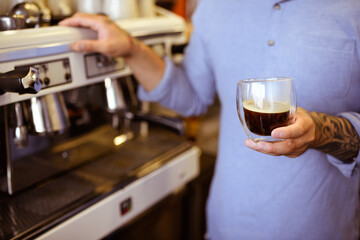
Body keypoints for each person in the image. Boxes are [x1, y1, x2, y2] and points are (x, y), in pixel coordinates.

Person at [59, 0, 360, 239]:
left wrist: (320, 131)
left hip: (325, 230)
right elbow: (191, 96)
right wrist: (131, 48)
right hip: (225, 226)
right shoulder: (215, 6)